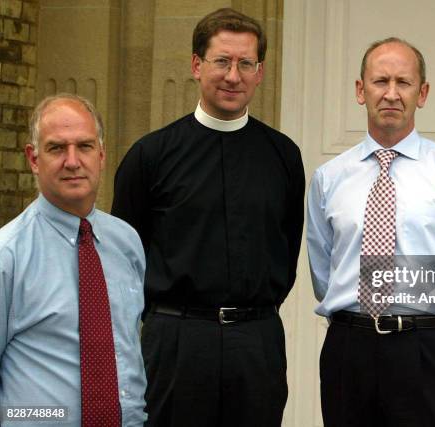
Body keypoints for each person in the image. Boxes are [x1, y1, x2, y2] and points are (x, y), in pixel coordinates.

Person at [111, 7, 305, 427]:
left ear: (260, 72)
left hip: (256, 344)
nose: (233, 76)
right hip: (177, 343)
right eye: (222, 61)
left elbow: (287, 249)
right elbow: (124, 259)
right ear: (197, 66)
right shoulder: (151, 156)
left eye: (245, 63)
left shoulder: (284, 157)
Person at [307, 37, 435, 427]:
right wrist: (356, 328)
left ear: (422, 93)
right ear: (361, 90)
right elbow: (324, 274)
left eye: (404, 83)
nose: (391, 93)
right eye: (380, 81)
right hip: (348, 351)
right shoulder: (328, 179)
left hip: (425, 349)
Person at [0, 94, 147, 427]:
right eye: (56, 148)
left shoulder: (127, 243)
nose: (72, 161)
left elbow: (128, 351)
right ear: (33, 158)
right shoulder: (7, 255)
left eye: (84, 146)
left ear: (102, 155)